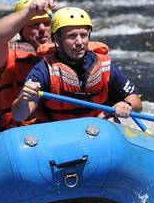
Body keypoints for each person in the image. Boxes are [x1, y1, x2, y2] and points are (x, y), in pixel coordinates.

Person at [11, 7, 142, 123]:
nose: (79, 42)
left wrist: (126, 105)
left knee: (112, 120)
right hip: (59, 133)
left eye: (84, 35)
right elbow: (19, 115)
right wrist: (24, 99)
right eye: (72, 36)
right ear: (57, 39)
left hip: (98, 130)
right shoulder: (44, 69)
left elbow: (137, 102)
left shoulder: (103, 65)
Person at [0, 0, 54, 126]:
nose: (42, 29)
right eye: (34, 24)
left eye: (47, 23)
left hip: (59, 129)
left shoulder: (66, 51)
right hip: (20, 133)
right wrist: (29, 12)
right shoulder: (7, 55)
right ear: (21, 30)